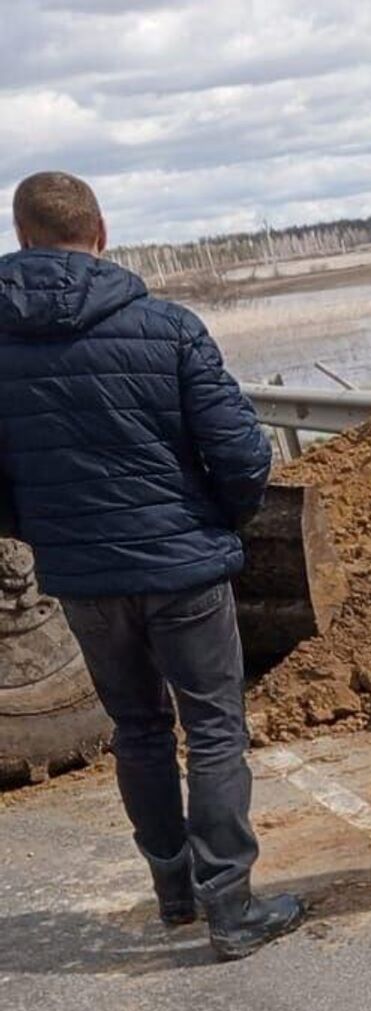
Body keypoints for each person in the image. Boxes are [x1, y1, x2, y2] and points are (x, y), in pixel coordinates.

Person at [0, 172, 301, 961]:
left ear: (23, 236)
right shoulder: (167, 327)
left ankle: (174, 894)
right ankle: (231, 908)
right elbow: (241, 452)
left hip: (83, 577)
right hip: (183, 566)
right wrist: (219, 522)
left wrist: (43, 533)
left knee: (137, 729)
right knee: (212, 730)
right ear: (100, 233)